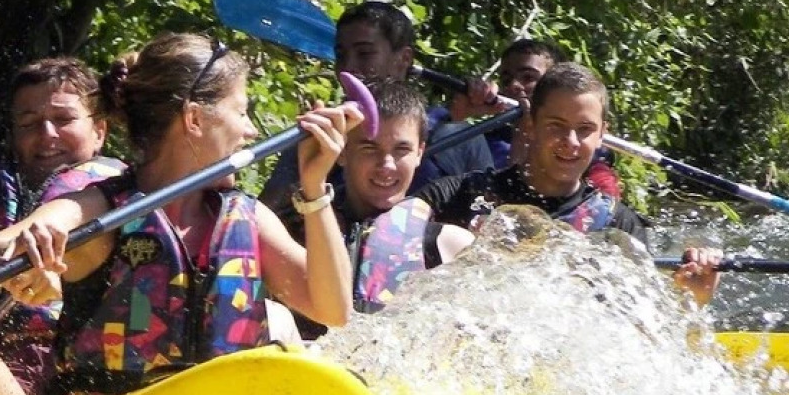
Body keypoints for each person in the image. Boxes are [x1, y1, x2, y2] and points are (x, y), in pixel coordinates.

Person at [0, 32, 363, 395]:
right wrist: (28, 254)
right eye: (241, 112)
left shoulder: (247, 218)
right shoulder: (102, 210)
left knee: (288, 335)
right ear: (195, 119)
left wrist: (315, 187)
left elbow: (333, 310)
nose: (250, 131)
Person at [416, 62, 721, 304]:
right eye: (557, 126)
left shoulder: (617, 226)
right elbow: (395, 231)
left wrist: (689, 298)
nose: (571, 142)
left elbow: (641, 329)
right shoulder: (460, 194)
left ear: (601, 134)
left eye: (585, 129)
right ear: (531, 124)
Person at [0, 57, 124, 395]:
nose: (47, 135)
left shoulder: (115, 191)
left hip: (76, 370)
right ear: (13, 137)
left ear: (100, 131)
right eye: (29, 123)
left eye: (64, 119)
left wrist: (47, 270)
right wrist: (18, 263)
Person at [279, 79, 474, 337]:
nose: (387, 165)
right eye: (369, 148)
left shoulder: (452, 247)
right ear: (342, 151)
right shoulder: (286, 233)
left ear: (419, 153)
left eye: (402, 150)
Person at [258, 1, 495, 210]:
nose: (348, 67)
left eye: (365, 53)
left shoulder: (457, 136)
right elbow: (266, 214)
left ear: (404, 59)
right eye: (341, 55)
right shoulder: (322, 133)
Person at [442, 38, 622, 197]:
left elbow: (604, 210)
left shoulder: (586, 151)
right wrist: (459, 116)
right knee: (451, 131)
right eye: (506, 80)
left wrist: (524, 137)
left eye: (528, 77)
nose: (513, 85)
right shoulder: (483, 140)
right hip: (474, 215)